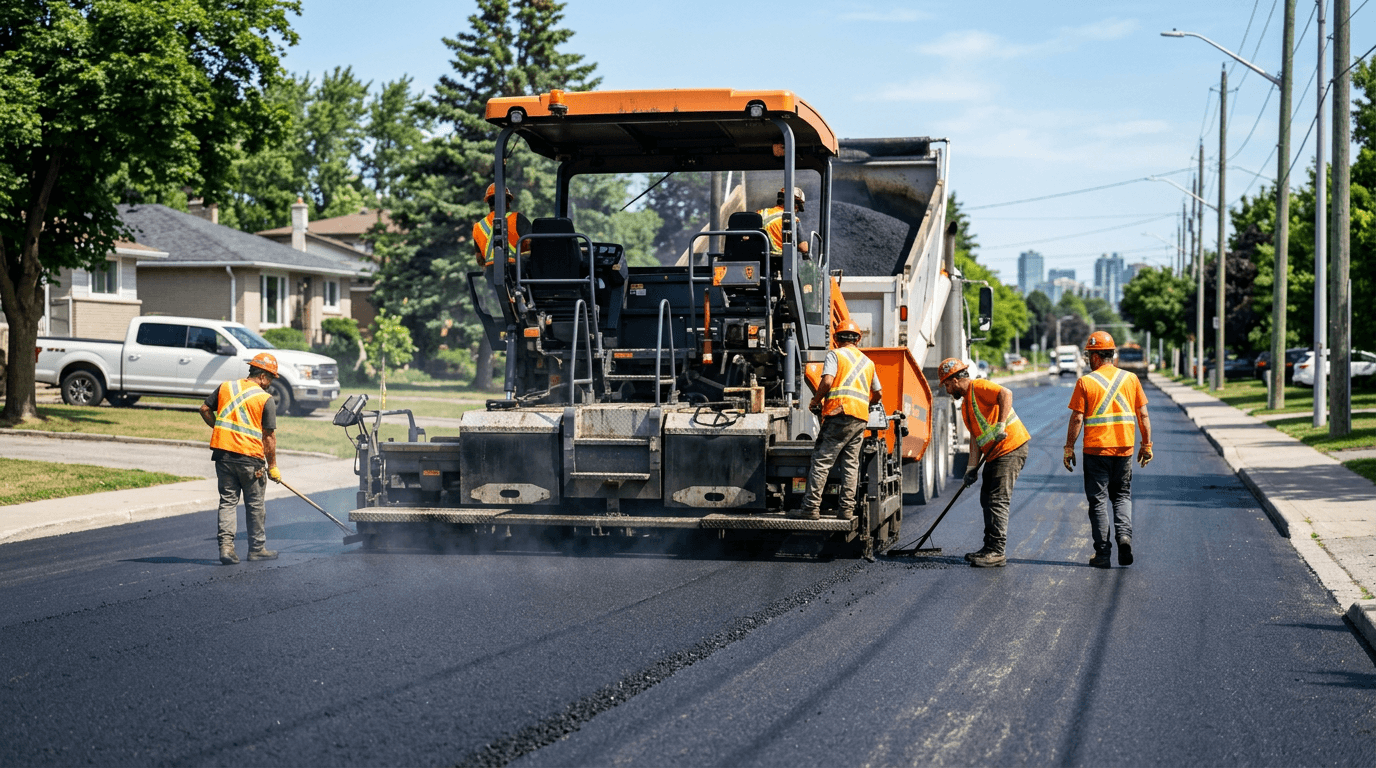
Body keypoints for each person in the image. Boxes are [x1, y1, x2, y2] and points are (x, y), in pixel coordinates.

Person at [1063, 331, 1153, 569]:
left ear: (1094, 356)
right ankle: (1124, 537)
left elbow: (1077, 418)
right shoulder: (1131, 379)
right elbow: (1143, 414)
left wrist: (1069, 447)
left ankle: (1103, 554)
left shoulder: (1086, 382)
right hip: (1124, 449)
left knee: (1099, 501)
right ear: (1111, 354)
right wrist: (1146, 445)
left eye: (1089, 355)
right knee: (1122, 495)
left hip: (1096, 451)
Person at [937, 357, 1031, 568]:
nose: (947, 389)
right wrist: (971, 469)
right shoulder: (966, 406)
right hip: (995, 453)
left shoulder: (979, 386)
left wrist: (1000, 425)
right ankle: (989, 547)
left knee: (997, 499)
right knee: (986, 497)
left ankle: (997, 551)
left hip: (1010, 448)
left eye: (947, 384)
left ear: (955, 380)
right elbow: (976, 439)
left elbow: (1006, 394)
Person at [199, 352, 284, 565]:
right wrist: (272, 466)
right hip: (250, 459)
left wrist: (218, 427)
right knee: (255, 505)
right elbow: (269, 436)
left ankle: (226, 548)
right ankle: (257, 549)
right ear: (263, 376)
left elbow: (204, 409)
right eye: (271, 378)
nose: (270, 384)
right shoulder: (265, 399)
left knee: (227, 502)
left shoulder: (226, 387)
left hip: (224, 456)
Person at [792, 321, 882, 521]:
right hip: (859, 417)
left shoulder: (835, 354)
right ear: (858, 339)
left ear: (836, 338)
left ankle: (810, 508)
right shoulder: (868, 362)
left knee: (822, 461)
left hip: (839, 413)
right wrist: (863, 404)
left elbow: (827, 381)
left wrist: (816, 400)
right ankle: (846, 511)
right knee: (851, 464)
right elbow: (878, 393)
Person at [473, 183, 532, 270]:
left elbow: (480, 261)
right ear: (507, 203)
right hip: (516, 272)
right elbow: (532, 245)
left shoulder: (478, 226)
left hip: (491, 276)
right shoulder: (517, 218)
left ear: (489, 203)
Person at [756, 187, 810, 256]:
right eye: (798, 208)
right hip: (778, 261)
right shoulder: (793, 219)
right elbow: (804, 248)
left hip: (758, 257)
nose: (796, 211)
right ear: (795, 206)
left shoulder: (760, 213)